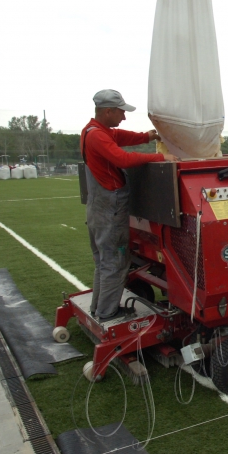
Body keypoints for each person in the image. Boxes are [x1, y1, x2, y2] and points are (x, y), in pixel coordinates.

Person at [81, 89, 178, 322]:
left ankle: (98, 307)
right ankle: (107, 312)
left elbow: (120, 137)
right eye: (121, 112)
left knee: (104, 261)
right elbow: (122, 159)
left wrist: (147, 137)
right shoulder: (98, 136)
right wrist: (161, 158)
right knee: (115, 261)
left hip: (99, 207)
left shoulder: (92, 131)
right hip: (109, 208)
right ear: (108, 111)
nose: (123, 117)